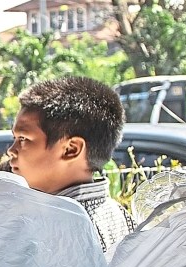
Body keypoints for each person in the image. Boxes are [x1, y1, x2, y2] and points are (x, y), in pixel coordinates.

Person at [9, 76, 135, 254]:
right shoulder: (119, 215)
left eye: (23, 139)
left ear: (71, 149)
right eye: (14, 138)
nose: (11, 150)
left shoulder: (54, 230)